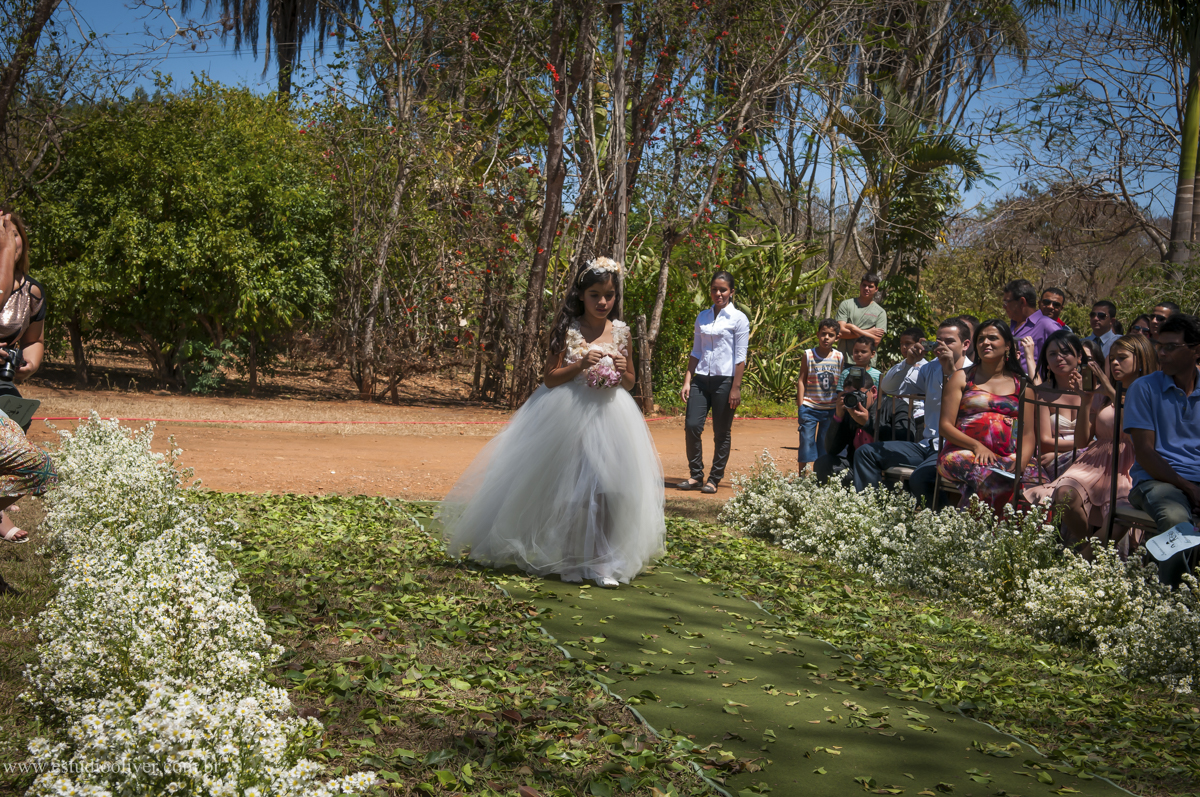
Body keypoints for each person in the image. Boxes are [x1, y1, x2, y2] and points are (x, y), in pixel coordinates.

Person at [439, 257, 664, 588]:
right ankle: (570, 560)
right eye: (595, 295)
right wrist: (580, 364)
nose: (603, 302)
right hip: (569, 415)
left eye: (609, 295)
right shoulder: (567, 330)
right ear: (581, 296)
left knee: (606, 491)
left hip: (612, 417)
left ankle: (600, 561)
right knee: (571, 491)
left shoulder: (621, 332)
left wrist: (619, 369)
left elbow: (630, 383)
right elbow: (550, 378)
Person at [1025, 335, 1157, 558]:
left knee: (1121, 513)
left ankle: (1085, 560)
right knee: (1065, 494)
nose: (1114, 363)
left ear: (1142, 360)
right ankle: (1087, 549)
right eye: (1111, 358)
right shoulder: (1101, 396)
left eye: (1122, 358)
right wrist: (1086, 401)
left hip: (1129, 463)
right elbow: (1081, 442)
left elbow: (1137, 426)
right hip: (1094, 460)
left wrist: (1109, 391)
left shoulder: (1151, 393)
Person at [851, 318, 973, 507]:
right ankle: (871, 513)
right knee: (866, 453)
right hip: (927, 445)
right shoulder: (931, 368)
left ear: (965, 345)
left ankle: (941, 526)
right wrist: (909, 362)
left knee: (921, 477)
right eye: (939, 340)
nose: (942, 345)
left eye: (949, 341)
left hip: (951, 448)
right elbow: (889, 387)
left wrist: (950, 371)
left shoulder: (975, 374)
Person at [1124, 313, 1200, 586]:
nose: (1161, 353)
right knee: (1178, 521)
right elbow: (1145, 453)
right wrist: (1189, 488)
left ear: (1196, 349)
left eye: (1171, 347)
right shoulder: (1143, 388)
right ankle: (1165, 604)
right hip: (1156, 481)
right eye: (1159, 346)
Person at [938, 319, 1038, 513]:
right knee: (994, 482)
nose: (985, 343)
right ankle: (983, 537)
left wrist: (1021, 463)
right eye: (981, 339)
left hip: (1011, 456)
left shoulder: (1023, 385)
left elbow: (1028, 433)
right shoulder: (962, 377)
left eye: (993, 338)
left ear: (1008, 345)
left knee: (1038, 491)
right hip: (965, 453)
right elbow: (945, 426)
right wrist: (977, 446)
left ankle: (1027, 542)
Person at [0, 211, 56, 549]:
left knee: (39, 468)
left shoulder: (32, 290)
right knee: (40, 467)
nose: (9, 238)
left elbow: (34, 339)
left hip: (4, 387)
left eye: (12, 232)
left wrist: (29, 362)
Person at [679, 271, 749, 494]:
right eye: (714, 289)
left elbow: (740, 357)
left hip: (725, 382)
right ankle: (696, 475)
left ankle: (714, 478)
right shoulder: (703, 317)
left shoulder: (739, 319)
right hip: (700, 380)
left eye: (723, 290)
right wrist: (687, 380)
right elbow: (696, 351)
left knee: (721, 432)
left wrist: (735, 388)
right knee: (692, 426)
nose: (718, 294)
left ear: (731, 292)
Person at [1020, 329, 1089, 479]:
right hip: (1054, 461)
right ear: (1047, 362)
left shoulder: (1093, 392)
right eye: (1052, 354)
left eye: (1065, 352)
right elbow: (1044, 441)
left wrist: (1062, 451)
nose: (1059, 358)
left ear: (1079, 356)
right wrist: (1084, 448)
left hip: (1086, 458)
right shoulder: (1042, 393)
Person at [815, 367, 877, 485]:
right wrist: (838, 417)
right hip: (855, 465)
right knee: (823, 463)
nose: (854, 400)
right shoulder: (849, 411)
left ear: (873, 392)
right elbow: (831, 450)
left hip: (880, 468)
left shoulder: (891, 408)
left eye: (859, 394)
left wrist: (867, 424)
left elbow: (902, 440)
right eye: (849, 396)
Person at [796, 319, 844, 473]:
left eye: (831, 335)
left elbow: (841, 383)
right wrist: (801, 406)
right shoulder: (809, 355)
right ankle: (802, 477)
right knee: (806, 442)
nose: (826, 337)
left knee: (824, 444)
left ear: (837, 338)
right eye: (823, 334)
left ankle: (820, 476)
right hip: (809, 407)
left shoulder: (839, 357)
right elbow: (801, 380)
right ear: (818, 334)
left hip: (830, 409)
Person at [876, 326, 927, 442]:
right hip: (899, 417)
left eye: (908, 343)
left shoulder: (927, 368)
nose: (904, 347)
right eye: (901, 343)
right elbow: (885, 387)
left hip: (919, 419)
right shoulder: (898, 367)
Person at [1003, 278, 1059, 370]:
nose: (1004, 306)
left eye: (1007, 302)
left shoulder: (1048, 326)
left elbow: (1062, 359)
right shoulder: (1012, 326)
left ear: (1022, 302)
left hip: (1036, 384)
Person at [836, 272, 887, 366]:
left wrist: (853, 328)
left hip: (867, 363)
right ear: (860, 286)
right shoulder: (846, 304)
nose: (866, 289)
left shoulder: (880, 312)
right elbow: (841, 332)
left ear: (876, 289)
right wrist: (869, 332)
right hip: (844, 360)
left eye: (870, 286)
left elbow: (875, 341)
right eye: (864, 285)